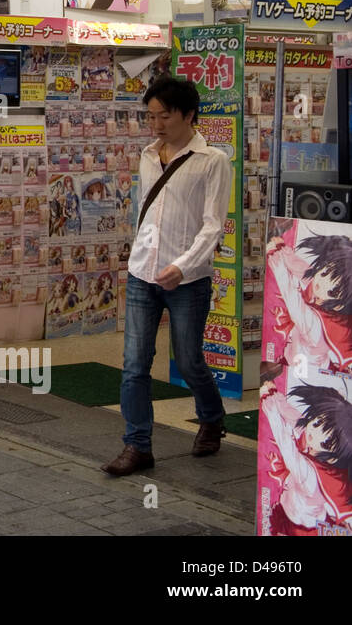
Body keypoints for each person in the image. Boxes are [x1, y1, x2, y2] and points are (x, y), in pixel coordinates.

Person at [103, 76, 231, 477]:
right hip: (143, 273)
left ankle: (211, 417)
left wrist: (183, 266)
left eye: (165, 116)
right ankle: (137, 445)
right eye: (151, 116)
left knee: (190, 359)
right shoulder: (146, 155)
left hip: (187, 279)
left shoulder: (212, 161)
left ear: (189, 115)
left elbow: (213, 226)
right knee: (134, 364)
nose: (156, 124)